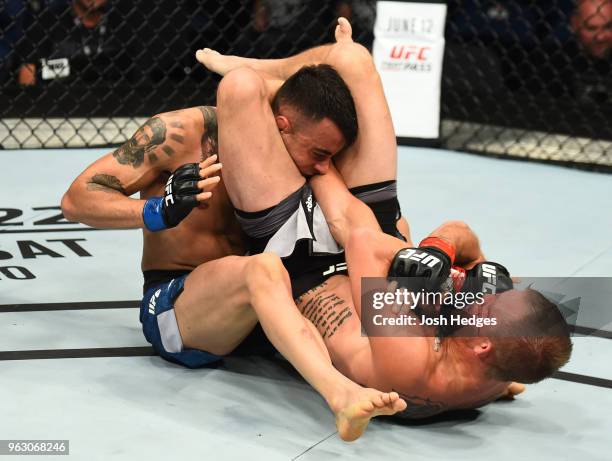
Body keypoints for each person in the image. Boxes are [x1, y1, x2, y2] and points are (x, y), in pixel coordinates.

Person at [197, 17, 572, 416]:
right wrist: (438, 251)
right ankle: (270, 70)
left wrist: (322, 162)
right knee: (353, 58)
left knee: (240, 88)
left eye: (488, 308)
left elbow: (356, 234)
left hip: (300, 253)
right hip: (369, 246)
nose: (486, 297)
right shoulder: (498, 365)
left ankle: (272, 87)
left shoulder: (409, 355)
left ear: (483, 345)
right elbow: (460, 234)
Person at [62, 101, 405, 441]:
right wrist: (159, 210)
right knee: (262, 269)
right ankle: (339, 394)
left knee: (340, 284)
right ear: (283, 125)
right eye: (317, 152)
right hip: (182, 310)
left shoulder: (302, 147)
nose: (323, 165)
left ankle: (410, 382)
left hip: (267, 311)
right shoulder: (180, 134)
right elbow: (76, 201)